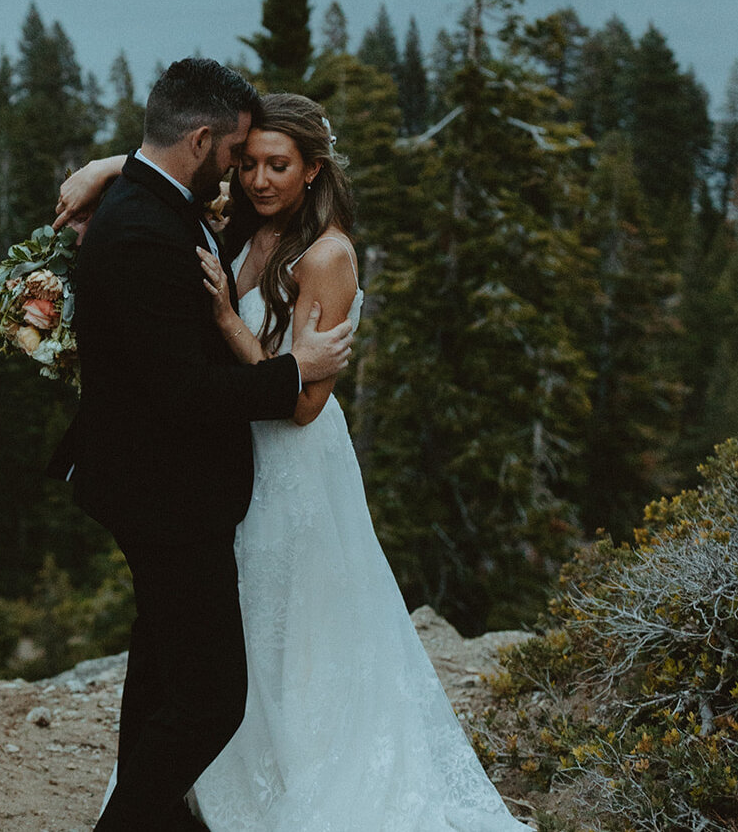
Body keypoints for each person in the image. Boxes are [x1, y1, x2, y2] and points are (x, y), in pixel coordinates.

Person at [58, 90, 530, 831]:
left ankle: (295, 779)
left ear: (312, 170)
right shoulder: (235, 229)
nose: (257, 179)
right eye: (246, 163)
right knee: (234, 632)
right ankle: (205, 787)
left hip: (295, 464)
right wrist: (106, 166)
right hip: (231, 458)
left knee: (297, 632)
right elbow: (173, 164)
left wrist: (224, 320)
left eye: (277, 165)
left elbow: (305, 402)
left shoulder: (328, 255)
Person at [46, 60, 354, 832]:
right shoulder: (145, 229)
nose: (242, 176)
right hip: (166, 494)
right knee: (211, 696)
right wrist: (295, 371)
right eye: (236, 155)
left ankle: (157, 818)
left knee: (158, 667)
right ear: (204, 140)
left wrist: (106, 165)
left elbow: (173, 173)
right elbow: (184, 392)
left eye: (267, 162)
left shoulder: (155, 202)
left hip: (160, 481)